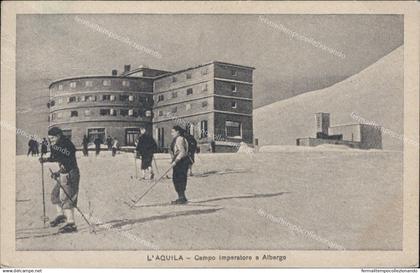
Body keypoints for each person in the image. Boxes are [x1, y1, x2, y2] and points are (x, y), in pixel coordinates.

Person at [39, 127, 80, 233]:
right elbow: (59, 159)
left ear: (58, 136)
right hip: (64, 173)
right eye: (49, 138)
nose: (50, 140)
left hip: (70, 174)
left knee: (66, 198)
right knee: (55, 194)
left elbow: (67, 160)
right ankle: (61, 216)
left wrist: (48, 160)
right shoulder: (58, 144)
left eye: (52, 138)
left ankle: (71, 224)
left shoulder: (65, 144)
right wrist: (57, 171)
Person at [169, 125, 190, 204]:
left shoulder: (179, 139)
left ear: (178, 132)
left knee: (178, 179)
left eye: (173, 132)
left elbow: (182, 152)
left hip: (181, 162)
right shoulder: (180, 138)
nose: (172, 133)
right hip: (182, 161)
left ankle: (181, 198)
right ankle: (182, 197)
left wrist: (176, 161)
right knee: (178, 179)